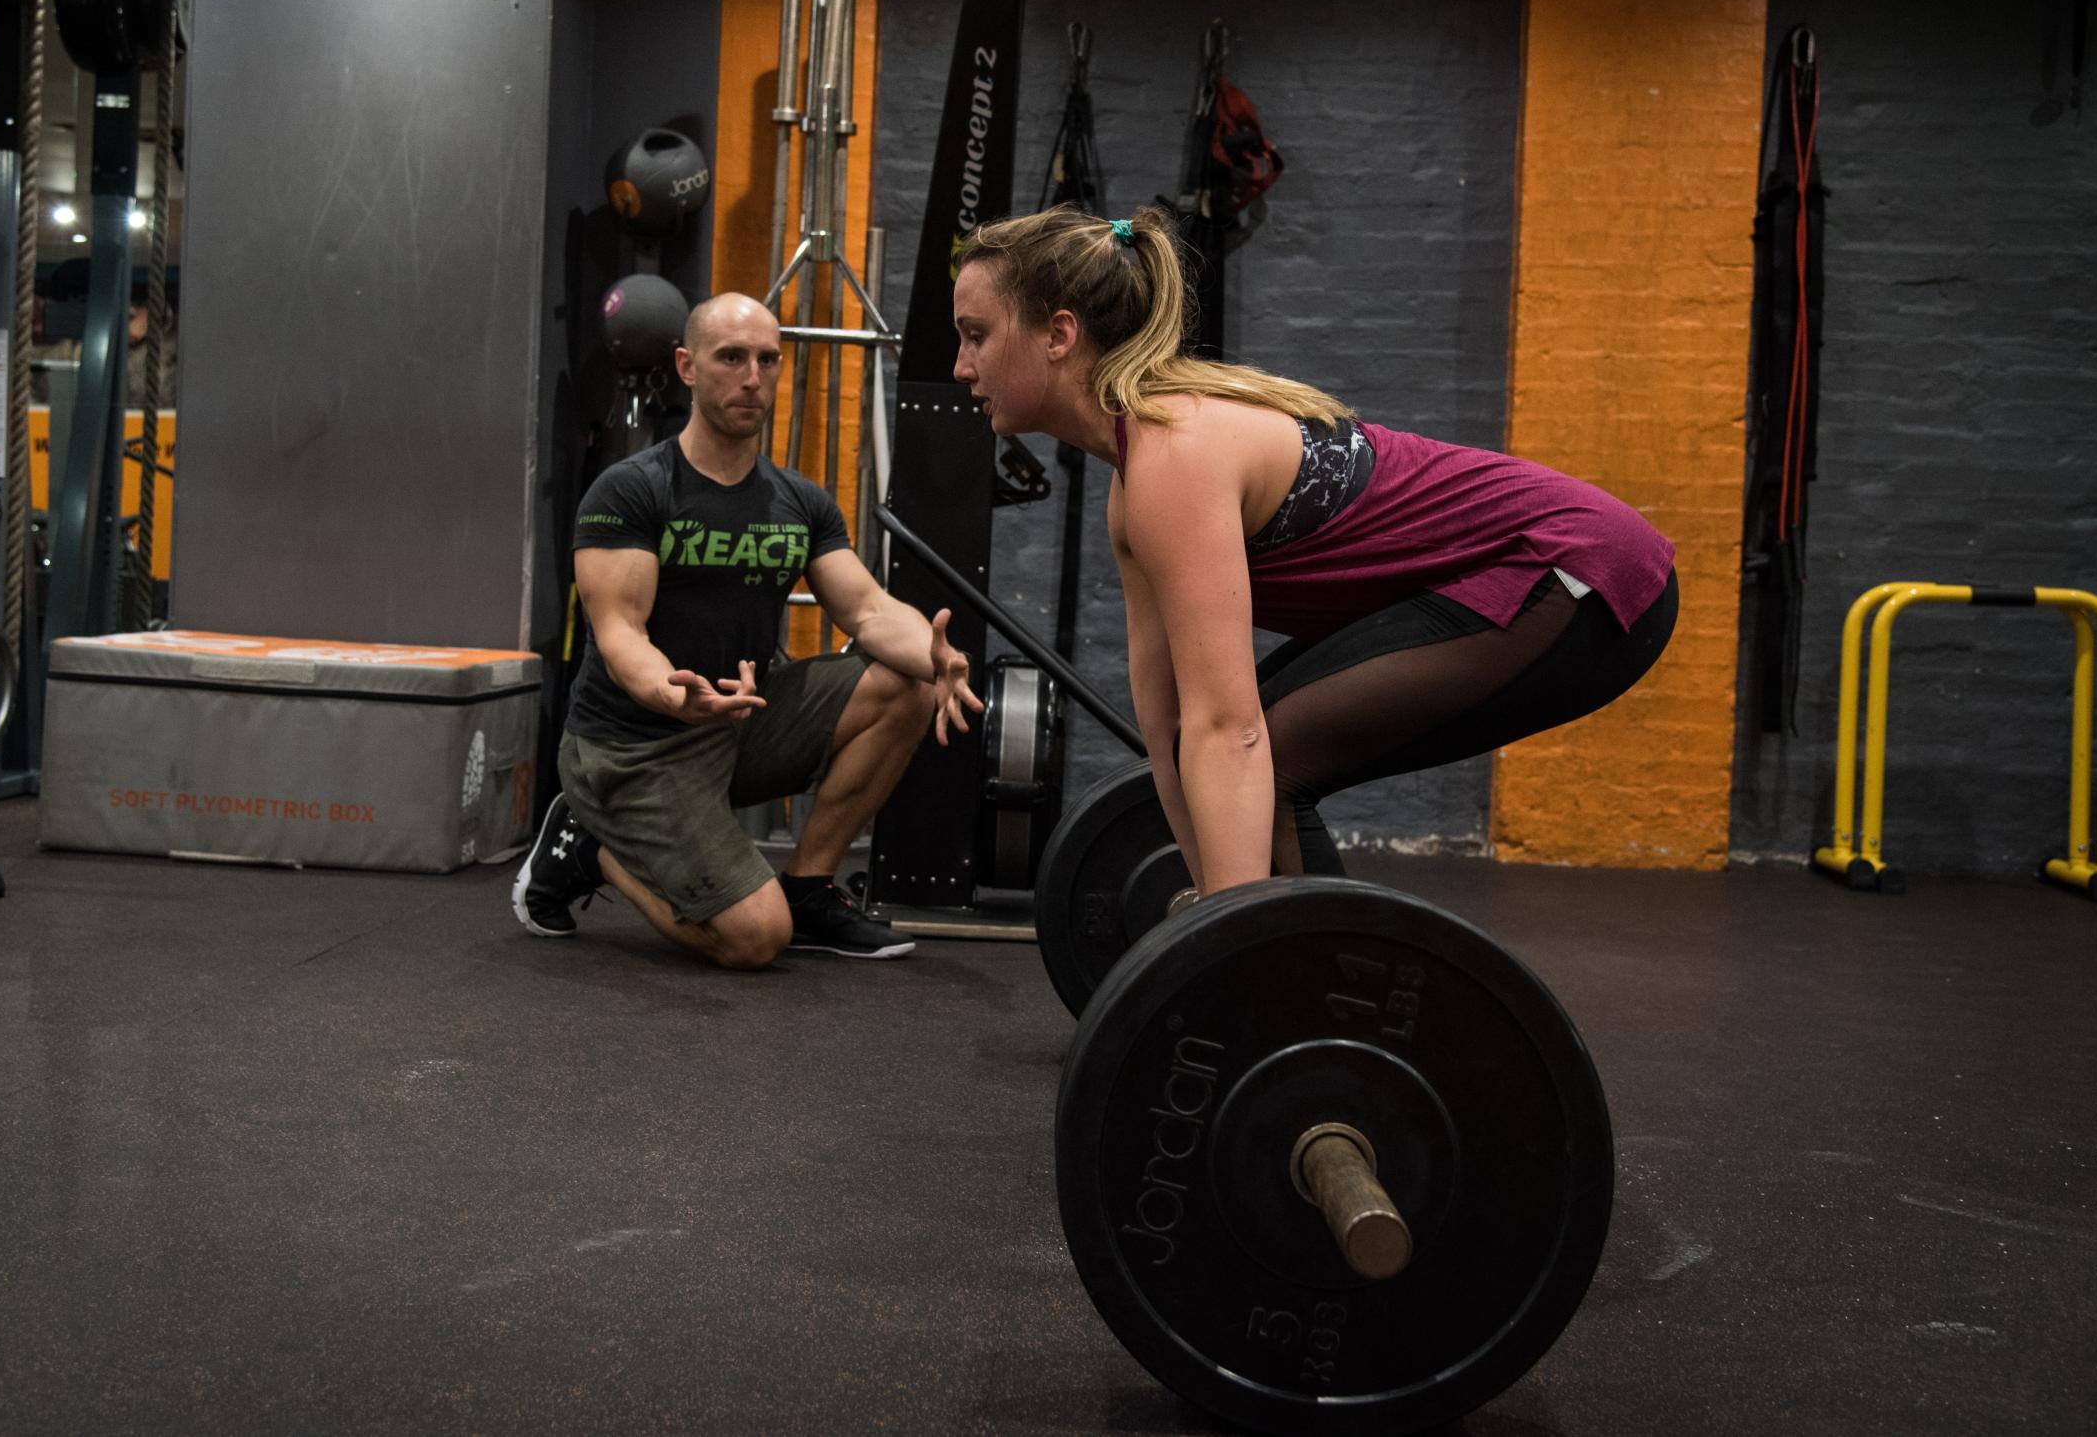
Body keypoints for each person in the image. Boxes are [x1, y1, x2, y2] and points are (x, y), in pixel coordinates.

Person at [948, 205, 1678, 898]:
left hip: (1574, 572)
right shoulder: (1137, 479)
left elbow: (1228, 734)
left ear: (1059, 333)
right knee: (1257, 753)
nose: (960, 365)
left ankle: (1299, 987)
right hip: (1525, 575)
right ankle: (1275, 967)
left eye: (976, 334)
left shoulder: (1175, 454)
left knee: (1276, 756)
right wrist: (1206, 897)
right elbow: (1171, 731)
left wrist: (1221, 937)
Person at [515, 291, 983, 966]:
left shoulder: (798, 501)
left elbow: (869, 610)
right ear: (686, 365)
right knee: (756, 939)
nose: (752, 376)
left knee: (906, 684)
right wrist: (675, 695)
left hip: (736, 722)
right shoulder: (632, 490)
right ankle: (591, 846)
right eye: (731, 357)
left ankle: (810, 886)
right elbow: (620, 636)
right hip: (636, 749)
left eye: (767, 359)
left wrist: (936, 657)